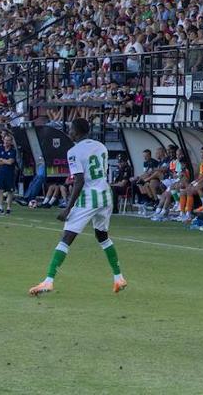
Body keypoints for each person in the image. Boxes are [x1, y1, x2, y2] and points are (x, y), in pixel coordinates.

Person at [28, 118, 126, 296]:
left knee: (66, 238)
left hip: (89, 197)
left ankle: (48, 281)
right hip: (105, 195)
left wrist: (68, 207)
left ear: (77, 131)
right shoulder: (101, 146)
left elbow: (79, 180)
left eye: (71, 129)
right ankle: (118, 278)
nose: (69, 132)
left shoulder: (74, 151)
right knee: (102, 236)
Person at [0, 132, 18, 215]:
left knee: (10, 191)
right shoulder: (1, 150)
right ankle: (0, 207)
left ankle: (8, 208)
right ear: (3, 140)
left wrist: (3, 160)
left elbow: (11, 162)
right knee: (0, 189)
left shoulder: (13, 151)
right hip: (1, 172)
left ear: (11, 142)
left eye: (8, 141)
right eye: (5, 140)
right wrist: (5, 161)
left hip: (10, 173)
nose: (6, 142)